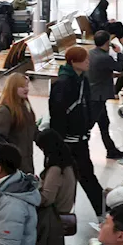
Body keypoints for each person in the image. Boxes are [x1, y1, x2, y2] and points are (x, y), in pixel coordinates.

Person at [49, 47, 104, 214]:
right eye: (84, 59)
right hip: (66, 142)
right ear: (73, 62)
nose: (88, 62)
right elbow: (57, 114)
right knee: (63, 179)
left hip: (80, 138)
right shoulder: (62, 83)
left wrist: (86, 127)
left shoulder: (82, 80)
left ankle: (102, 211)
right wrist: (58, 140)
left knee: (86, 176)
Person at [30, 129, 76, 245]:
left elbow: (46, 198)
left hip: (51, 219)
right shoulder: (68, 164)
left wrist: (32, 191)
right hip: (60, 215)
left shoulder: (56, 169)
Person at [88, 31, 123, 159]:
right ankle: (77, 148)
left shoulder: (91, 53)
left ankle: (111, 150)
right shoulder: (105, 58)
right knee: (90, 124)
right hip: (99, 95)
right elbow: (120, 68)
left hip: (93, 93)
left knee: (104, 123)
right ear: (107, 42)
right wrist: (119, 53)